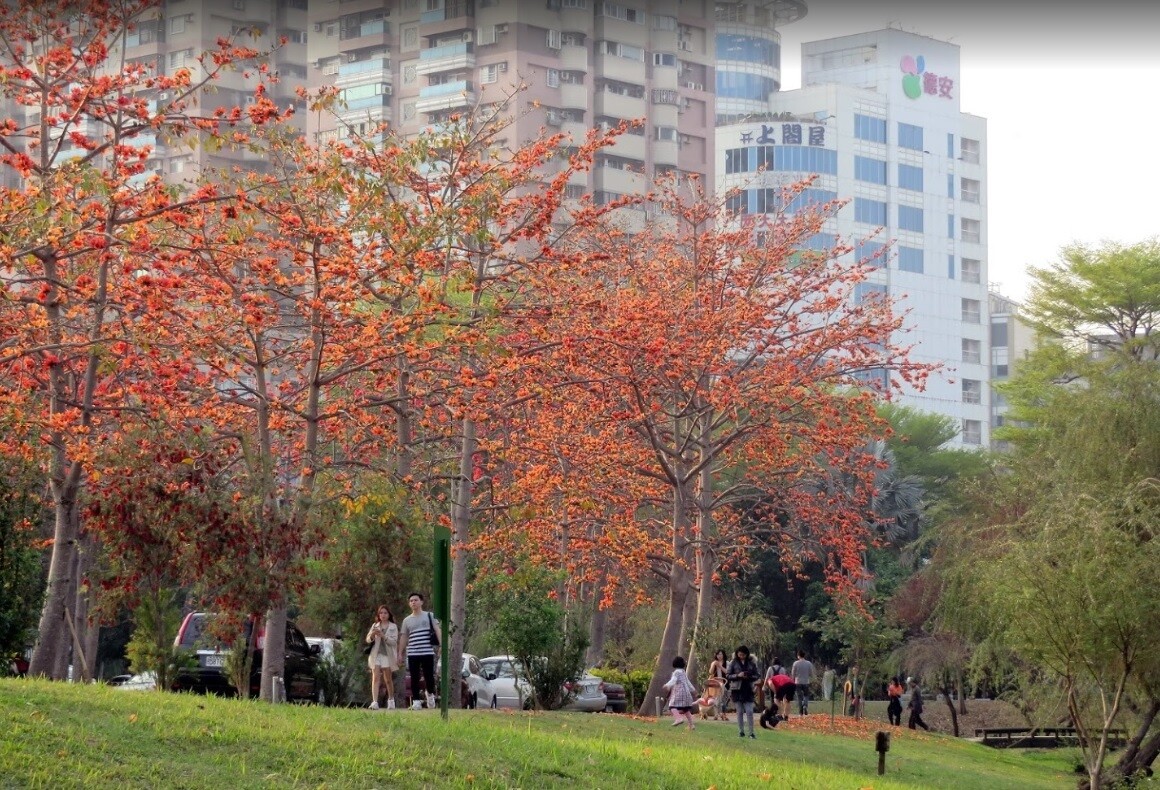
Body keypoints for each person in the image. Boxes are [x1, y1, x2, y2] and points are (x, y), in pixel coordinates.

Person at [398, 592, 440, 709]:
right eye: (411, 601)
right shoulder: (407, 620)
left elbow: (437, 629)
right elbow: (404, 637)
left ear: (421, 602)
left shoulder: (429, 615)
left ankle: (430, 694)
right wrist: (400, 653)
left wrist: (441, 645)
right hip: (412, 652)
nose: (413, 602)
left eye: (415, 600)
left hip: (427, 652)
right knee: (414, 677)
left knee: (429, 677)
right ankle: (416, 701)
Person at [365, 605, 399, 709]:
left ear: (389, 614)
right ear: (378, 615)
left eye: (385, 613)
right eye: (381, 613)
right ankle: (375, 701)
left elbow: (393, 642)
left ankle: (391, 699)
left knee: (388, 679)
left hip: (387, 656)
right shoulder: (375, 625)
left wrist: (383, 636)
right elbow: (367, 639)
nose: (383, 615)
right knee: (375, 678)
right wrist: (372, 635)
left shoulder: (393, 627)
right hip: (376, 655)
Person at [726, 645, 760, 739]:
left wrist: (749, 676)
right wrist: (737, 675)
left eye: (743, 655)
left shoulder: (751, 663)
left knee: (749, 711)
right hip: (737, 689)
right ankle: (741, 731)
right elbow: (728, 675)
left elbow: (757, 675)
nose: (741, 656)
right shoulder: (733, 662)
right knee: (739, 711)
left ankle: (751, 732)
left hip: (748, 689)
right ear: (737, 654)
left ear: (746, 654)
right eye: (740, 654)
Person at [663, 656, 697, 730]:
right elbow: (688, 682)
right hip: (687, 693)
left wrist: (667, 685)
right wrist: (693, 690)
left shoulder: (676, 672)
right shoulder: (683, 672)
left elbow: (673, 680)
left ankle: (678, 718)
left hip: (679, 693)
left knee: (672, 706)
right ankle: (691, 725)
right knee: (685, 709)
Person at [706, 649, 730, 721]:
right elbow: (710, 672)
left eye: (721, 654)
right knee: (716, 699)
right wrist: (714, 665)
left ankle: (723, 714)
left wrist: (720, 666)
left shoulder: (727, 663)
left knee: (723, 700)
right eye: (718, 654)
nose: (719, 656)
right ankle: (716, 714)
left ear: (723, 655)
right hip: (716, 683)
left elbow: (727, 672)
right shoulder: (714, 662)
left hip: (725, 683)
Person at [791, 649, 814, 716]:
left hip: (798, 682)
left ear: (798, 656)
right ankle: (805, 706)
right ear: (804, 655)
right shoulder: (808, 663)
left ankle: (800, 712)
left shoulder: (795, 663)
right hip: (806, 681)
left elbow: (793, 673)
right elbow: (811, 673)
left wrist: (793, 679)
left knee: (799, 697)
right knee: (806, 695)